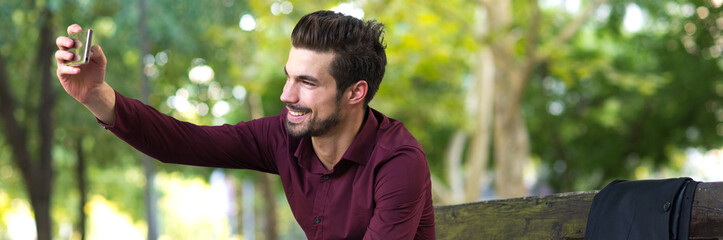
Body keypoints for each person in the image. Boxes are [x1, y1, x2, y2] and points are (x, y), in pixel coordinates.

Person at [55, 10, 435, 239]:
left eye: (307, 83)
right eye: (289, 77)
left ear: (355, 93)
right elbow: (183, 143)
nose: (287, 95)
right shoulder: (283, 137)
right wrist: (96, 95)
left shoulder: (398, 161)